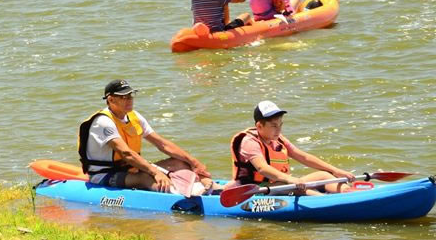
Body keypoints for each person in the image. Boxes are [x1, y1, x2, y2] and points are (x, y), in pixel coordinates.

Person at [78, 79, 214, 195]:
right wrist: (156, 172)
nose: (129, 100)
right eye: (123, 97)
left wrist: (194, 162)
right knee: (146, 176)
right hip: (105, 175)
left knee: (180, 163)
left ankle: (206, 186)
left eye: (130, 96)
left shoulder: (134, 116)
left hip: (130, 170)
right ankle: (180, 196)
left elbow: (162, 144)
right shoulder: (103, 122)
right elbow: (127, 154)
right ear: (111, 99)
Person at [226, 101, 355, 196]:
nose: (279, 130)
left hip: (278, 184)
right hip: (255, 190)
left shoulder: (277, 138)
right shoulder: (249, 141)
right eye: (274, 126)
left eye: (280, 125)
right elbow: (262, 168)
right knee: (294, 187)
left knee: (323, 175)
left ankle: (348, 192)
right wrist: (289, 179)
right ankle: (326, 201)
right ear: (259, 126)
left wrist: (336, 170)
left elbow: (303, 157)